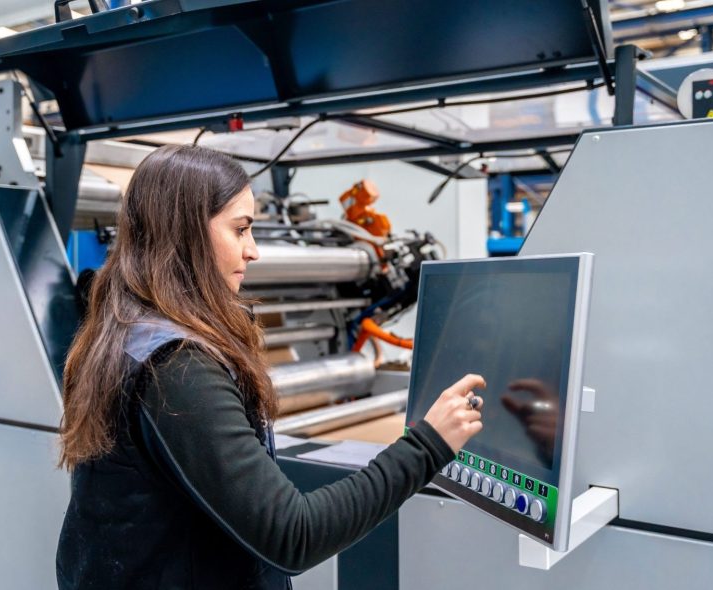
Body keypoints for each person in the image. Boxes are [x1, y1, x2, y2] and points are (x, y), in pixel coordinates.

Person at [55, 144, 485, 589]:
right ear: (185, 234)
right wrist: (428, 445)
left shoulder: (124, 333)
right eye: (240, 230)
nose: (254, 250)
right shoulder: (177, 367)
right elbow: (292, 535)